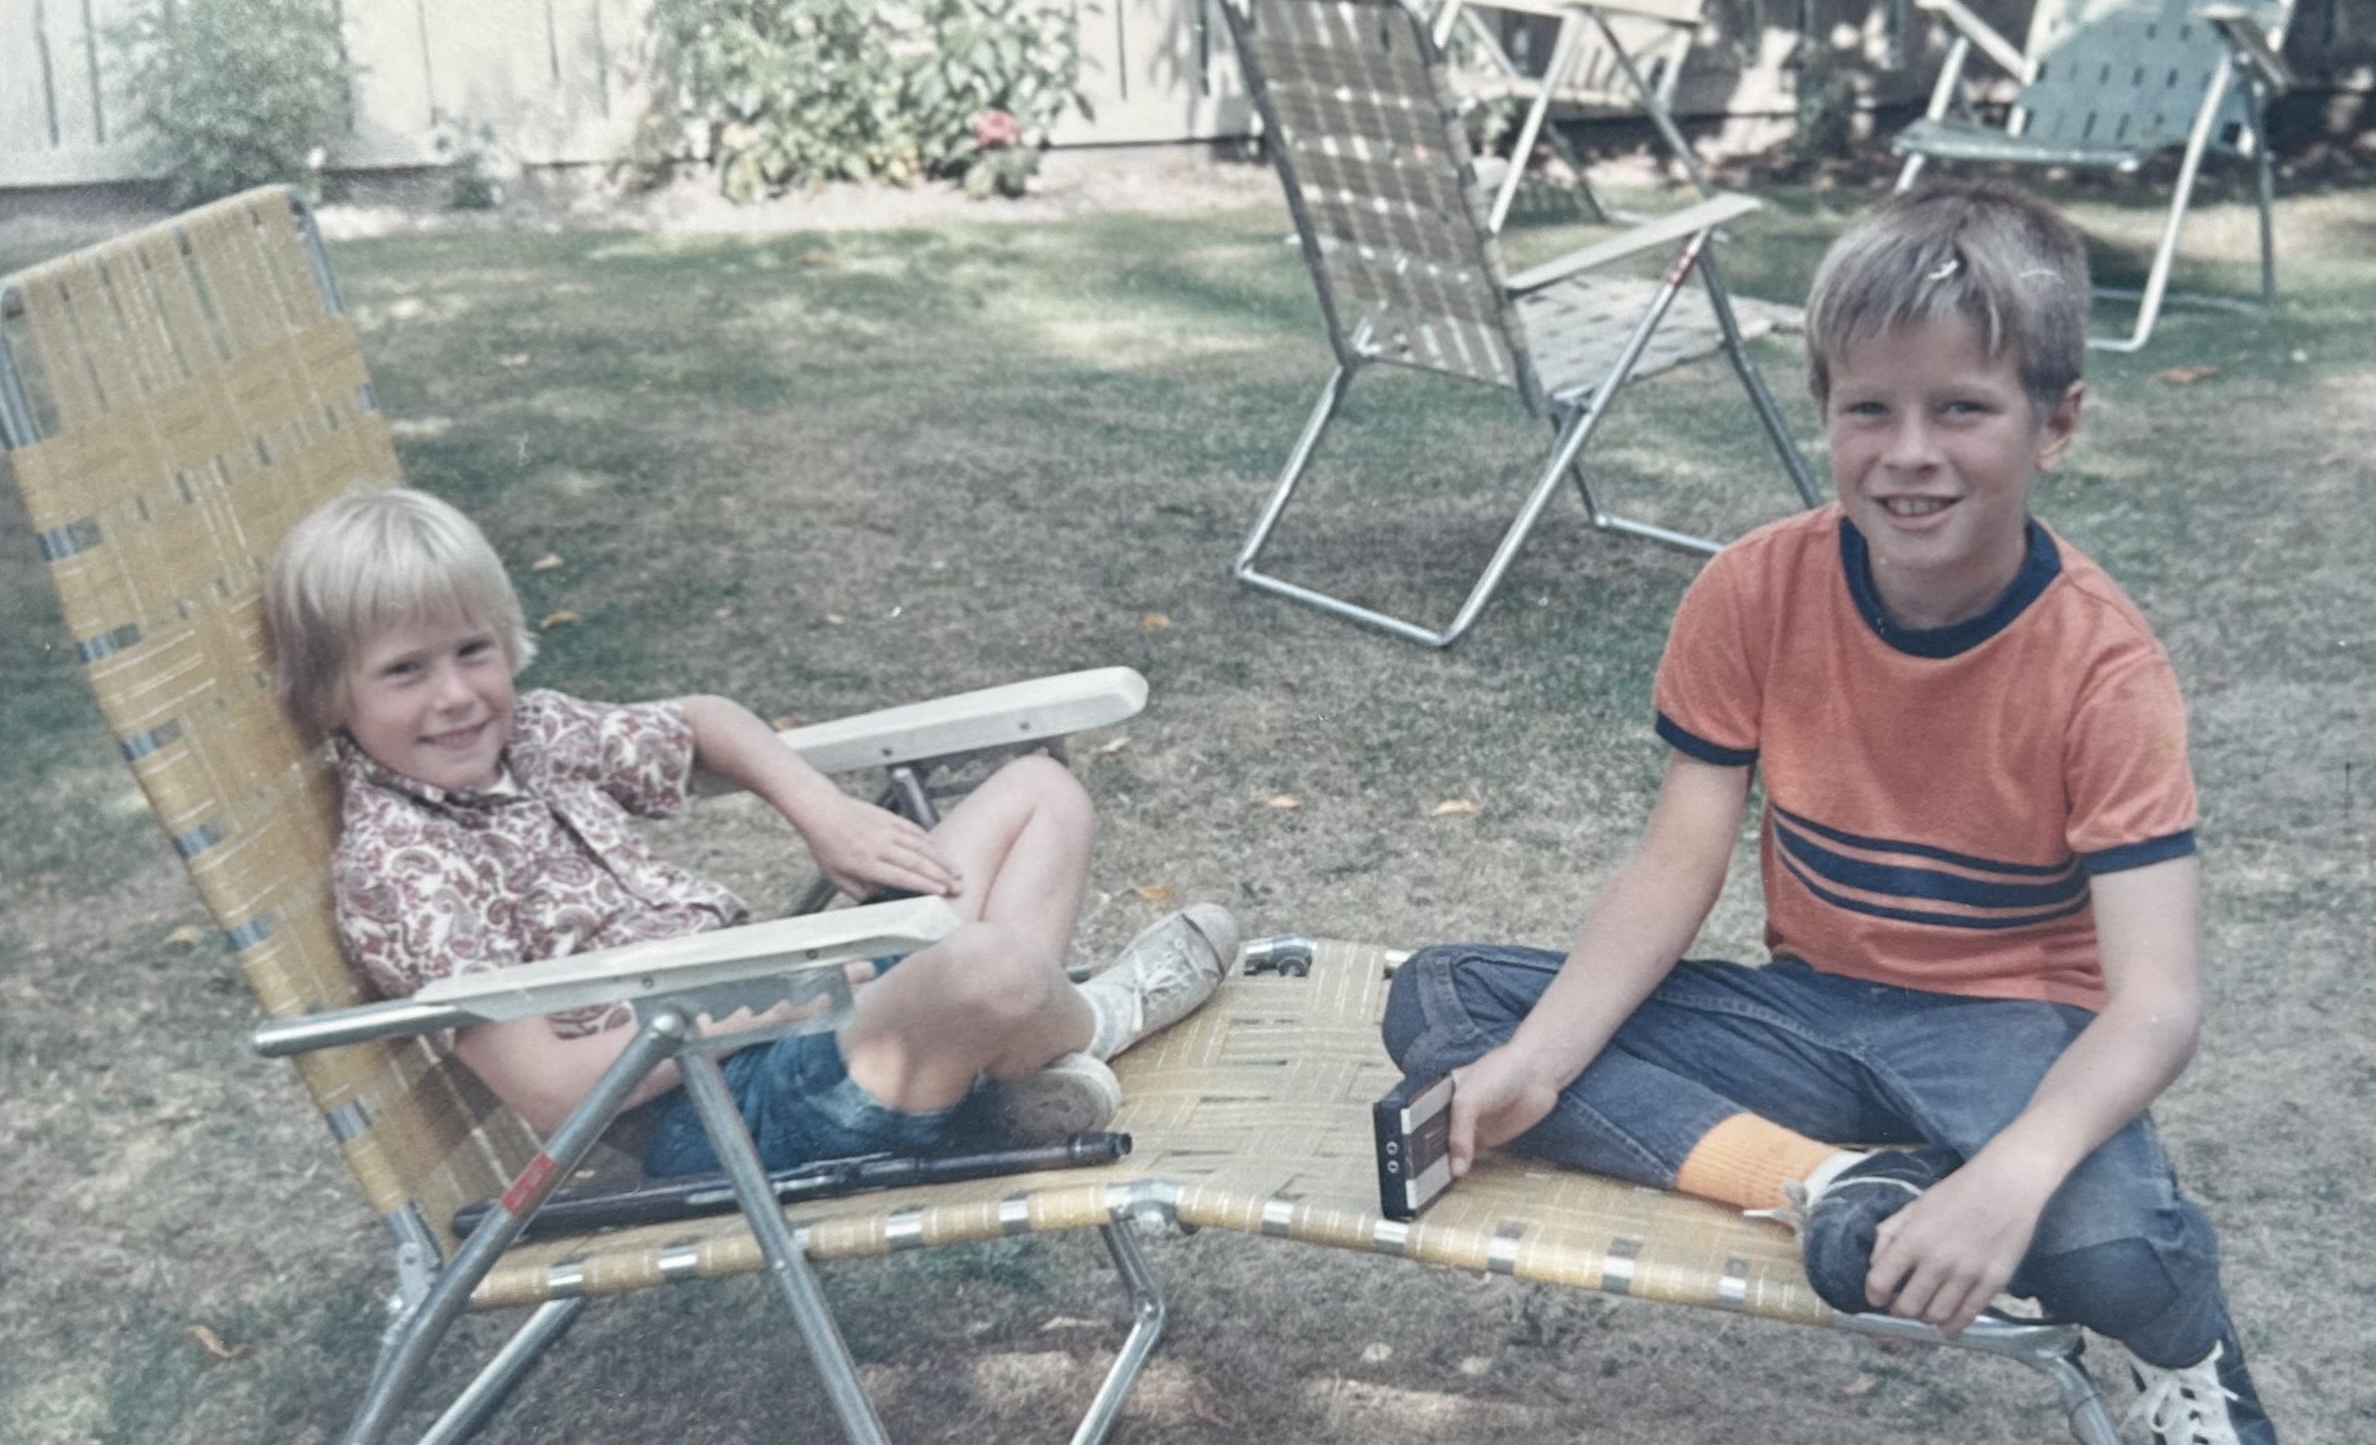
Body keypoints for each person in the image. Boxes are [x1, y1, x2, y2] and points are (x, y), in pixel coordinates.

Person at [1379, 184, 2273, 1445]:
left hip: (2013, 1037)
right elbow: (1677, 862)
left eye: (1961, 407)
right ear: (1825, 410)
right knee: (1448, 1006)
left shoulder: (2103, 666)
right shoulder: (1752, 589)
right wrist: (1541, 1060)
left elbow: (2158, 1001)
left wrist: (2015, 1174)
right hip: (1811, 1018)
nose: (1909, 452)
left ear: (2056, 422)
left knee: (2116, 1253)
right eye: (1870, 408)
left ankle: (2190, 1357)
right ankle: (1839, 1183)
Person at [263, 485, 1237, 1179]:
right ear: (328, 695)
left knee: (1038, 792)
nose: (456, 695)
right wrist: (794, 989)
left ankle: (1009, 1070)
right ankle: (1098, 1017)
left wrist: (824, 813)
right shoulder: (405, 872)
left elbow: (703, 721)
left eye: (473, 650)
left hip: (793, 1012)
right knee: (989, 965)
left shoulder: (537, 735)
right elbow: (557, 1093)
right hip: (718, 1112)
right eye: (405, 671)